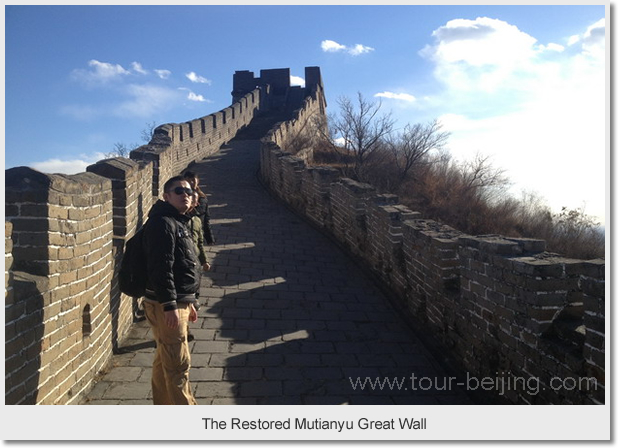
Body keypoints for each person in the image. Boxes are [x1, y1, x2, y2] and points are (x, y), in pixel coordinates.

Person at [142, 176, 200, 405]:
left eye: (188, 190)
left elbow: (182, 266)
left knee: (164, 358)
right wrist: (170, 305)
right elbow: (160, 266)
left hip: (177, 301)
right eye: (178, 191)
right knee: (178, 365)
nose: (185, 194)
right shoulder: (163, 223)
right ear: (166, 196)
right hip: (166, 303)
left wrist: (190, 301)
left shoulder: (178, 221)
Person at [183, 171, 215, 245]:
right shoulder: (181, 198)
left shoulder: (203, 199)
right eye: (189, 180)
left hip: (198, 235)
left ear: (198, 181)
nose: (191, 183)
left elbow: (206, 220)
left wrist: (210, 239)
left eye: (193, 180)